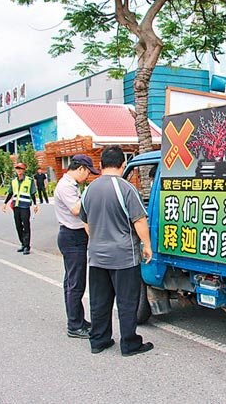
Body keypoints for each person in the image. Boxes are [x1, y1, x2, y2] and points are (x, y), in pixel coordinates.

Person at [79, 145, 153, 356]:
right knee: (126, 301)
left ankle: (99, 341)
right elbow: (139, 220)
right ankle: (129, 344)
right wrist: (147, 246)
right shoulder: (126, 189)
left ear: (101, 165)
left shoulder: (89, 190)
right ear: (123, 165)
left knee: (99, 301)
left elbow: (85, 221)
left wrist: (96, 239)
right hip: (123, 256)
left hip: (96, 257)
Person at [53, 154, 99, 339]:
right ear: (80, 168)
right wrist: (91, 194)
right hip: (72, 237)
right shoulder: (66, 186)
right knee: (76, 284)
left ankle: (78, 319)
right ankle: (74, 325)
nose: (87, 177)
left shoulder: (71, 185)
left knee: (72, 282)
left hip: (73, 236)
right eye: (87, 172)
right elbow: (77, 210)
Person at [1, 162, 39, 255]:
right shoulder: (13, 181)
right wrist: (5, 203)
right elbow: (10, 193)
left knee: (26, 226)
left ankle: (27, 246)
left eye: (20, 168)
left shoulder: (29, 180)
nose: (19, 170)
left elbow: (32, 193)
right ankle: (23, 243)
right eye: (17, 168)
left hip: (25, 206)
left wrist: (35, 205)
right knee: (18, 226)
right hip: (16, 206)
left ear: (24, 170)